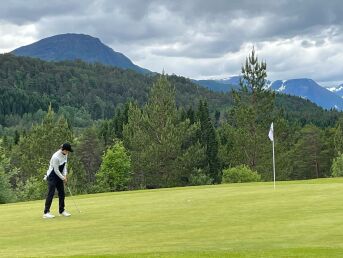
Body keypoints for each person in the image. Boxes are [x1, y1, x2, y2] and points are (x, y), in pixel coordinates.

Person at [43, 143, 73, 219]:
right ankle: (46, 212)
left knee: (62, 193)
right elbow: (56, 170)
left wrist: (65, 175)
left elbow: (64, 166)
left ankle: (62, 210)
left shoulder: (65, 154)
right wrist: (63, 178)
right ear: (64, 150)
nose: (68, 152)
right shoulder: (56, 157)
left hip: (59, 175)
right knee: (51, 193)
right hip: (52, 176)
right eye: (67, 151)